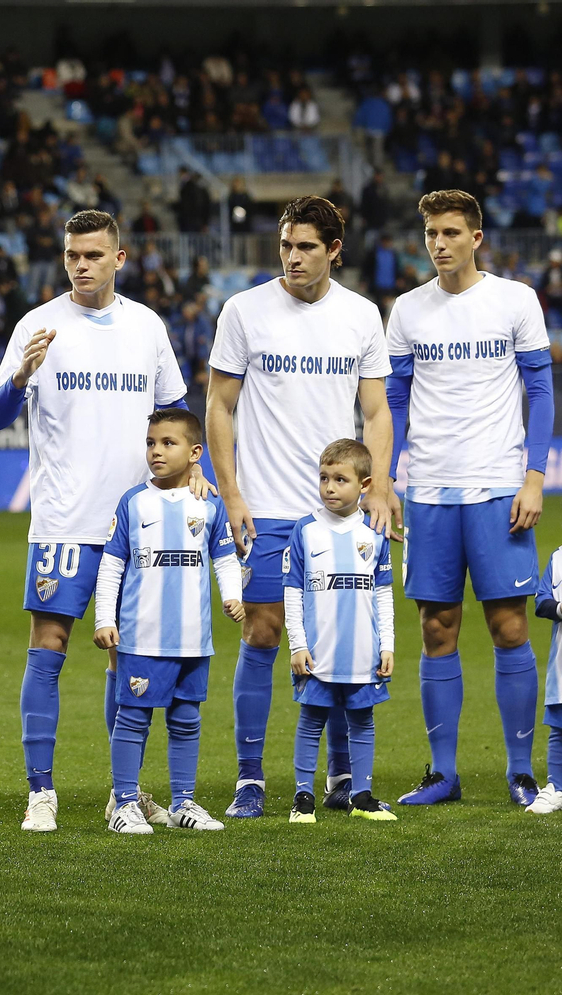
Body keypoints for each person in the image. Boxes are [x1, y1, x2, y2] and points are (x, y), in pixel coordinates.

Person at [0, 209, 192, 833]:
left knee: (126, 657)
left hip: (132, 525)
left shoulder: (147, 327)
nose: (81, 265)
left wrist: (192, 474)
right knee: (47, 648)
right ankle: (40, 792)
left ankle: (123, 794)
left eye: (94, 255)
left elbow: (174, 413)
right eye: (73, 255)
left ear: (119, 259)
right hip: (63, 521)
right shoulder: (38, 324)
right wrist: (21, 372)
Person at [205, 195, 395, 819]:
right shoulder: (244, 310)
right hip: (265, 507)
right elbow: (220, 407)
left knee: (343, 638)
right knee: (261, 633)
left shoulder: (363, 316)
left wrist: (382, 485)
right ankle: (251, 779)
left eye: (306, 246)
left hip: (340, 510)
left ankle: (342, 773)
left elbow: (375, 411)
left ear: (335, 250)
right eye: (286, 245)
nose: (292, 257)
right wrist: (231, 492)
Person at [382, 190, 553, 808]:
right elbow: (394, 402)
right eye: (431, 233)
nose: (439, 243)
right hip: (428, 490)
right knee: (437, 627)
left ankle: (519, 770)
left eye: (451, 232)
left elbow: (541, 385)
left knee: (509, 626)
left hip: (497, 486)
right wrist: (386, 475)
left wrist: (533, 476)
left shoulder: (514, 300)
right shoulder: (405, 311)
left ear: (476, 237)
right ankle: (444, 773)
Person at [94, 409, 242, 835]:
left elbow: (225, 557)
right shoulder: (133, 502)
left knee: (186, 720)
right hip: (142, 637)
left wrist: (232, 596)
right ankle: (124, 803)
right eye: (151, 443)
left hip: (194, 639)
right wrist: (106, 617)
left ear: (196, 453)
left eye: (167, 443)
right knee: (134, 718)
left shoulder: (208, 504)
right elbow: (112, 566)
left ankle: (183, 803)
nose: (156, 451)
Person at [285, 440, 398, 823]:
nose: (329, 487)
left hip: (363, 652)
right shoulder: (305, 531)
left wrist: (388, 645)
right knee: (311, 720)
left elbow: (383, 596)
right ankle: (303, 797)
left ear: (364, 485)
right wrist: (297, 644)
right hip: (318, 653)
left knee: (362, 721)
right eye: (324, 478)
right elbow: (292, 593)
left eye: (340, 479)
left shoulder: (374, 532)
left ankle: (361, 795)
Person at [531, 548, 562, 814]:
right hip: (561, 666)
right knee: (559, 728)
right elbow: (541, 602)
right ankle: (557, 788)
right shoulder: (558, 558)